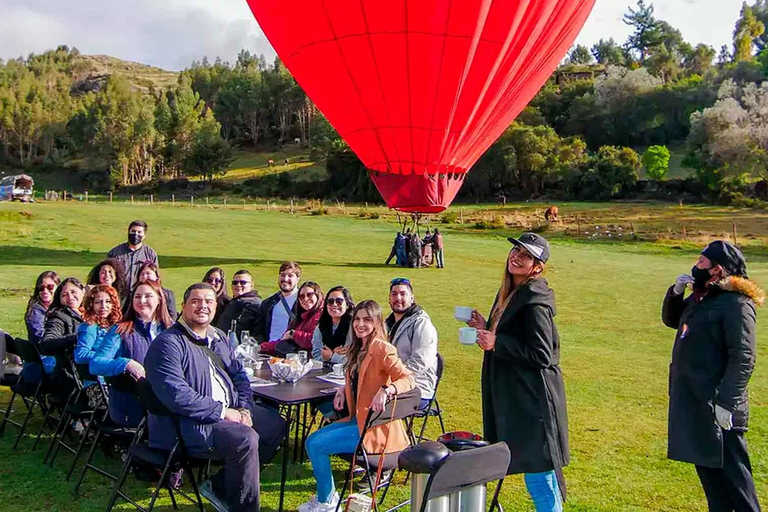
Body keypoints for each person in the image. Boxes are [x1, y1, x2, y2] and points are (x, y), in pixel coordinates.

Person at [145, 283, 286, 512]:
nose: (203, 306)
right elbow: (176, 394)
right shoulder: (167, 344)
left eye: (209, 302)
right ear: (183, 306)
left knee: (274, 426)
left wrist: (244, 409)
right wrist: (222, 412)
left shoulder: (218, 337)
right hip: (189, 424)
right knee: (244, 439)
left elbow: (239, 376)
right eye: (196, 301)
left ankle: (219, 486)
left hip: (228, 412)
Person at [467, 233, 569, 512]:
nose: (517, 257)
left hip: (534, 402)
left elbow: (543, 354)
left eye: (526, 255)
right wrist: (486, 326)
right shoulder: (511, 292)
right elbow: (515, 333)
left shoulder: (534, 300)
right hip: (518, 399)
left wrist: (497, 343)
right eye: (516, 250)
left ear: (537, 266)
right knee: (537, 472)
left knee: (540, 475)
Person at [662, 240, 764, 512]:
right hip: (696, 402)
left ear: (717, 269)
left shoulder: (736, 304)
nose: (695, 266)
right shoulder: (703, 298)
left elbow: (744, 357)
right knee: (713, 485)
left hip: (719, 407)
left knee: (737, 485)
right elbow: (674, 320)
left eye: (701, 262)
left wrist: (727, 403)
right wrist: (675, 293)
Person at [299, 300, 415, 512]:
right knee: (313, 441)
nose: (360, 324)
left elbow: (408, 379)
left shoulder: (383, 349)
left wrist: (387, 390)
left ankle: (327, 502)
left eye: (367, 320)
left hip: (374, 430)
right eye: (357, 320)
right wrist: (344, 388)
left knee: (315, 444)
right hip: (357, 421)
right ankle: (327, 497)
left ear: (377, 322)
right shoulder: (357, 347)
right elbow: (360, 379)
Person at [91, 280, 173, 427]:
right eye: (137, 296)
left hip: (168, 398)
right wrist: (125, 363)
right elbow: (95, 364)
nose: (142, 301)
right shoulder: (120, 330)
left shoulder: (173, 330)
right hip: (133, 407)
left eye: (148, 296)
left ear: (160, 299)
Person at [386, 278, 438, 410]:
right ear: (389, 299)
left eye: (403, 294)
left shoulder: (421, 323)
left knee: (375, 406)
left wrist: (396, 379)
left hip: (418, 388)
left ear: (412, 298)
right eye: (394, 294)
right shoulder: (387, 323)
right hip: (391, 384)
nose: (398, 298)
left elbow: (420, 361)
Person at [39, 277, 86, 398]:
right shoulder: (59, 317)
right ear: (60, 299)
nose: (70, 297)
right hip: (71, 379)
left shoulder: (90, 313)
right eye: (64, 295)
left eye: (73, 292)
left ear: (83, 291)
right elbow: (46, 344)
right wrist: (77, 337)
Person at [260, 282, 324, 356]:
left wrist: (293, 334)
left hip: (316, 360)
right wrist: (261, 347)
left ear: (318, 295)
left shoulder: (323, 315)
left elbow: (316, 340)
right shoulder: (299, 318)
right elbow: (282, 341)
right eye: (301, 296)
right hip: (295, 359)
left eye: (309, 294)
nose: (305, 299)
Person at [23, 270, 61, 380]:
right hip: (41, 362)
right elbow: (40, 338)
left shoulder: (61, 309)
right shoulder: (35, 311)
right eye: (41, 288)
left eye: (50, 287)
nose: (45, 291)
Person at [74, 285, 122, 370]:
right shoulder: (90, 326)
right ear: (91, 304)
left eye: (108, 301)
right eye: (98, 302)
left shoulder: (116, 324)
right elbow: (81, 354)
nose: (103, 306)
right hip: (98, 374)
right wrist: (106, 356)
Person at [107, 220, 159, 294]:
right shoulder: (115, 253)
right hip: (119, 293)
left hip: (140, 293)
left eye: (139, 232)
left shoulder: (150, 254)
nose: (135, 234)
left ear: (144, 235)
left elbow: (155, 276)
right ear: (128, 232)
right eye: (133, 231)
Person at [254, 261, 301, 343]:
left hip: (292, 348)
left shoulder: (304, 302)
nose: (285, 279)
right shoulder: (268, 303)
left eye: (290, 276)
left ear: (297, 279)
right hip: (269, 348)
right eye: (283, 275)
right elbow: (258, 331)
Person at [311, 286, 354, 364]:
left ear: (347, 304)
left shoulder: (353, 326)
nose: (334, 304)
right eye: (330, 301)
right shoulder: (321, 326)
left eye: (339, 301)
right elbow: (316, 355)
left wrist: (332, 356)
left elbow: (352, 356)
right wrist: (326, 357)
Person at [217, 269, 262, 336]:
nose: (238, 285)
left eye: (243, 282)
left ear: (251, 285)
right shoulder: (233, 302)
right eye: (235, 282)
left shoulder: (254, 304)